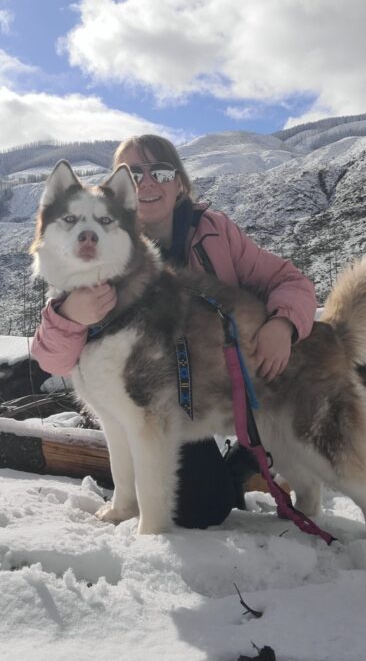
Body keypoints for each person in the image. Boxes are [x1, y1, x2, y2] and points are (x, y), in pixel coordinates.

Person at [31, 134, 317, 529]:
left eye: (161, 172)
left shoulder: (214, 232)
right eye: (135, 173)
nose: (148, 182)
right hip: (170, 402)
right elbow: (52, 360)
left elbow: (291, 282)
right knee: (201, 507)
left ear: (179, 182)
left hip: (225, 384)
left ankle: (246, 458)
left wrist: (284, 324)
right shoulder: (90, 265)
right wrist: (68, 315)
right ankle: (197, 483)